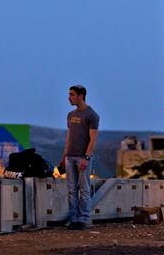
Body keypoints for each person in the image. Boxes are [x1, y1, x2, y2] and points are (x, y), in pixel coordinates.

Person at [60, 84, 99, 230]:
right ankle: (74, 219)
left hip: (82, 158)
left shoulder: (91, 115)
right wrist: (64, 155)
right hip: (70, 157)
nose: (69, 97)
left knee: (84, 189)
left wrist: (86, 158)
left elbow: (93, 139)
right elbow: (69, 136)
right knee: (71, 190)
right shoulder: (71, 115)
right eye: (69, 94)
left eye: (72, 94)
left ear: (80, 96)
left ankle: (83, 219)